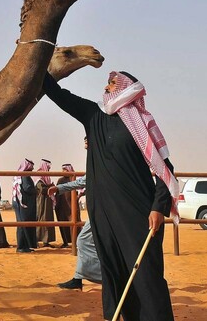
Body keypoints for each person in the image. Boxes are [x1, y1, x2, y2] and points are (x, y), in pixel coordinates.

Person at [42, 70, 179, 320]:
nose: (107, 87)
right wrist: (35, 60)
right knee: (113, 272)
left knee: (146, 273)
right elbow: (59, 95)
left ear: (127, 88)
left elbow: (165, 168)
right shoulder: (93, 115)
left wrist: (159, 207)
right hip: (103, 214)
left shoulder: (142, 122)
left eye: (113, 83)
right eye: (106, 83)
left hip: (139, 213)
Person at [48, 175, 103, 290]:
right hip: (99, 210)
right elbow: (81, 181)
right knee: (85, 240)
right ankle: (79, 278)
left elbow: (81, 182)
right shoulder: (96, 166)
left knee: (84, 240)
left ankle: (102, 277)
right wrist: (59, 188)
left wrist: (59, 188)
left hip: (105, 211)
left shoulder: (102, 165)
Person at [12, 158, 37, 253]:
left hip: (20, 203)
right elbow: (28, 188)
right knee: (23, 224)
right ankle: (21, 247)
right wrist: (36, 190)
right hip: (23, 204)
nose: (32, 170)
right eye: (31, 168)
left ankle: (25, 245)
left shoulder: (20, 175)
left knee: (23, 224)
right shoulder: (25, 176)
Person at [54, 163, 81, 248]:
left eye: (64, 169)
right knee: (63, 224)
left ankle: (76, 243)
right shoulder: (60, 180)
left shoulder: (73, 179)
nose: (63, 171)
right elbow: (57, 193)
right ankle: (65, 242)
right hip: (62, 206)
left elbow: (80, 191)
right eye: (62, 169)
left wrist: (78, 197)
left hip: (72, 206)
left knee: (75, 224)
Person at [35, 159, 55, 247]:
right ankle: (36, 240)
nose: (49, 169)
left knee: (47, 219)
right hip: (41, 202)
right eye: (48, 167)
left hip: (47, 201)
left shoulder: (46, 178)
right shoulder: (38, 177)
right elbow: (42, 189)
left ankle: (46, 241)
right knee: (41, 219)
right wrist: (51, 187)